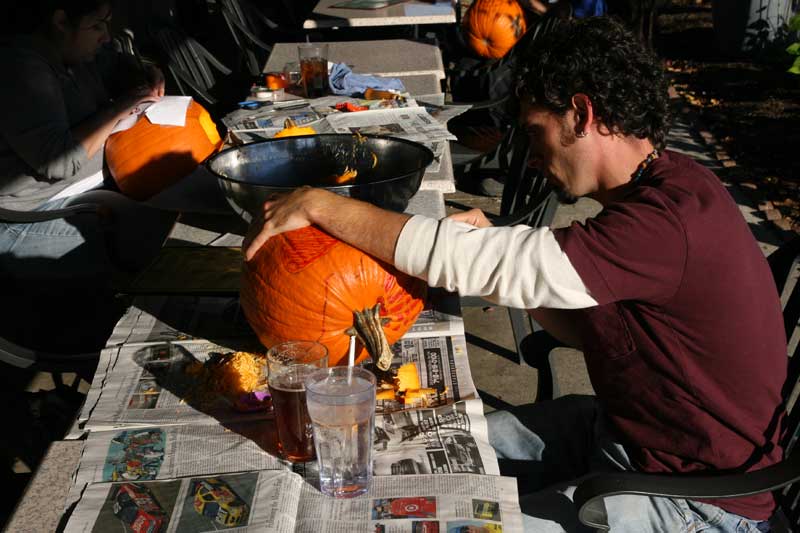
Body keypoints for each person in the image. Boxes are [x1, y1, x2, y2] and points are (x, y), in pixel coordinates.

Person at [243, 17, 786, 533]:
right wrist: (491, 255)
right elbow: (586, 329)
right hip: (624, 435)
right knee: (399, 451)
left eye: (535, 132)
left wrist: (321, 205)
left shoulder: (667, 224)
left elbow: (496, 265)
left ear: (581, 113)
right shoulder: (666, 189)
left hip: (696, 502)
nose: (529, 159)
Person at [0, 0, 166, 281]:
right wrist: (119, 108)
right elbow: (59, 160)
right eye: (96, 26)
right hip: (30, 215)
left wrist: (144, 72)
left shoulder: (75, 53)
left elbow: (113, 61)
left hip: (93, 187)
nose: (106, 36)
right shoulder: (22, 70)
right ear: (61, 22)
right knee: (158, 247)